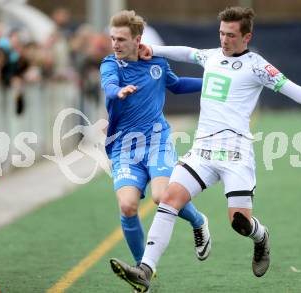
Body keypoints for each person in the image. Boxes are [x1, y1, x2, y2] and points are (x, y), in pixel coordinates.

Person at [109, 6, 301, 292]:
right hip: (202, 151)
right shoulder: (212, 56)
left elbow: (295, 89)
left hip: (236, 155)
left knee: (239, 222)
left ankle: (260, 236)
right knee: (168, 199)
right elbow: (187, 51)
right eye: (221, 33)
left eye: (231, 35)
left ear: (246, 36)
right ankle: (146, 269)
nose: (224, 40)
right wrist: (153, 48)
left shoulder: (258, 66)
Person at [100, 10, 212, 278]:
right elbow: (108, 85)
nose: (115, 44)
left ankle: (199, 222)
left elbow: (176, 85)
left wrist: (210, 82)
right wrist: (119, 92)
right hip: (123, 147)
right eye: (113, 38)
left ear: (137, 40)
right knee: (127, 206)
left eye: (121, 40)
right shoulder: (110, 64)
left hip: (156, 142)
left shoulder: (157, 64)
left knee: (162, 196)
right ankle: (143, 268)